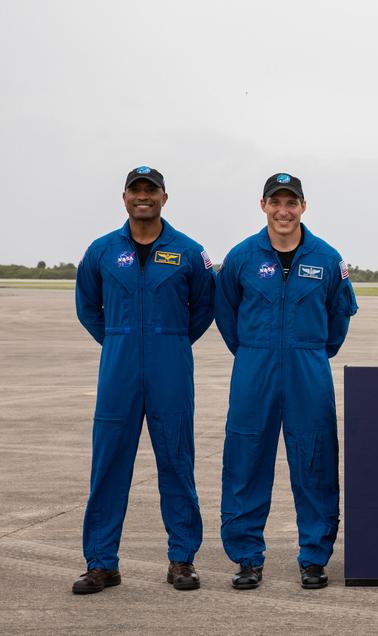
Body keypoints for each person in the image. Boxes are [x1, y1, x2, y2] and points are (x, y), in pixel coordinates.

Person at [72, 166, 216, 594]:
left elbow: (204, 308)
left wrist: (168, 341)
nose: (143, 198)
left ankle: (182, 560)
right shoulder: (100, 251)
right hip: (118, 365)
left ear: (164, 198)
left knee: (176, 461)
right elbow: (88, 307)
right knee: (109, 463)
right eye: (136, 191)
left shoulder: (189, 252)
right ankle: (101, 564)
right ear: (124, 197)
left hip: (171, 362)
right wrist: (119, 339)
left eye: (150, 191)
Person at [215, 173, 358, 590]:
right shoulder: (241, 257)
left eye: (291, 202)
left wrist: (310, 351)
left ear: (303, 207)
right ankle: (246, 558)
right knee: (245, 461)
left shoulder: (328, 259)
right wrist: (251, 351)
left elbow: (339, 319)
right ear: (263, 206)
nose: (283, 211)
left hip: (308, 366)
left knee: (315, 461)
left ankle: (314, 557)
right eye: (275, 202)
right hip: (253, 366)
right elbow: (226, 314)